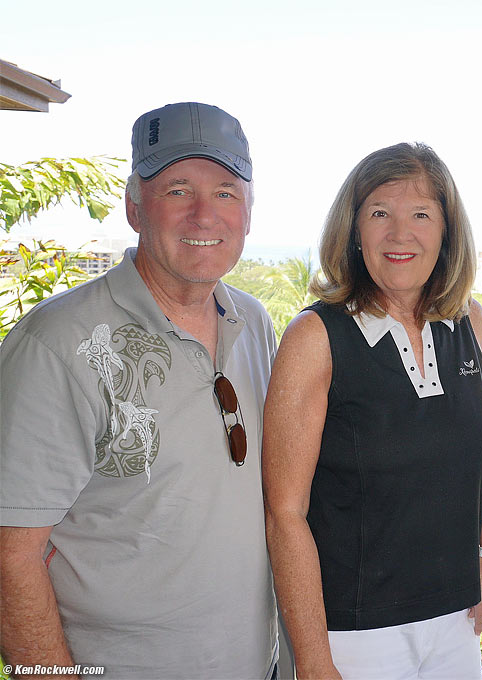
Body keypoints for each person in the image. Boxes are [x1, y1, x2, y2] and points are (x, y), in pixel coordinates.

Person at [0, 102, 278, 678]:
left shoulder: (253, 323)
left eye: (226, 192)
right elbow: (9, 555)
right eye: (178, 189)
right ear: (133, 207)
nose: (205, 215)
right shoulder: (57, 343)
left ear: (250, 212)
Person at [262, 142, 482, 680]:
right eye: (380, 214)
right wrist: (313, 659)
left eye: (421, 214)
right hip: (354, 632)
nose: (401, 234)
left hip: (456, 620)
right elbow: (284, 512)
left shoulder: (469, 322)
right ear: (353, 230)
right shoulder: (316, 336)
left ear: (446, 231)